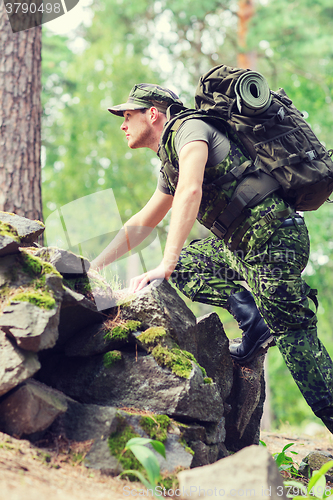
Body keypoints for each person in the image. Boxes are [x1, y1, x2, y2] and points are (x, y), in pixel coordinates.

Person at [91, 83, 333, 433]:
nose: (123, 125)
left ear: (153, 113)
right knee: (191, 265)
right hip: (242, 247)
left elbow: (191, 190)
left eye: (128, 115)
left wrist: (165, 262)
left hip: (274, 239)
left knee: (300, 348)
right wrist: (94, 266)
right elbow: (141, 223)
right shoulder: (169, 161)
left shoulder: (189, 130)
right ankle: (255, 322)